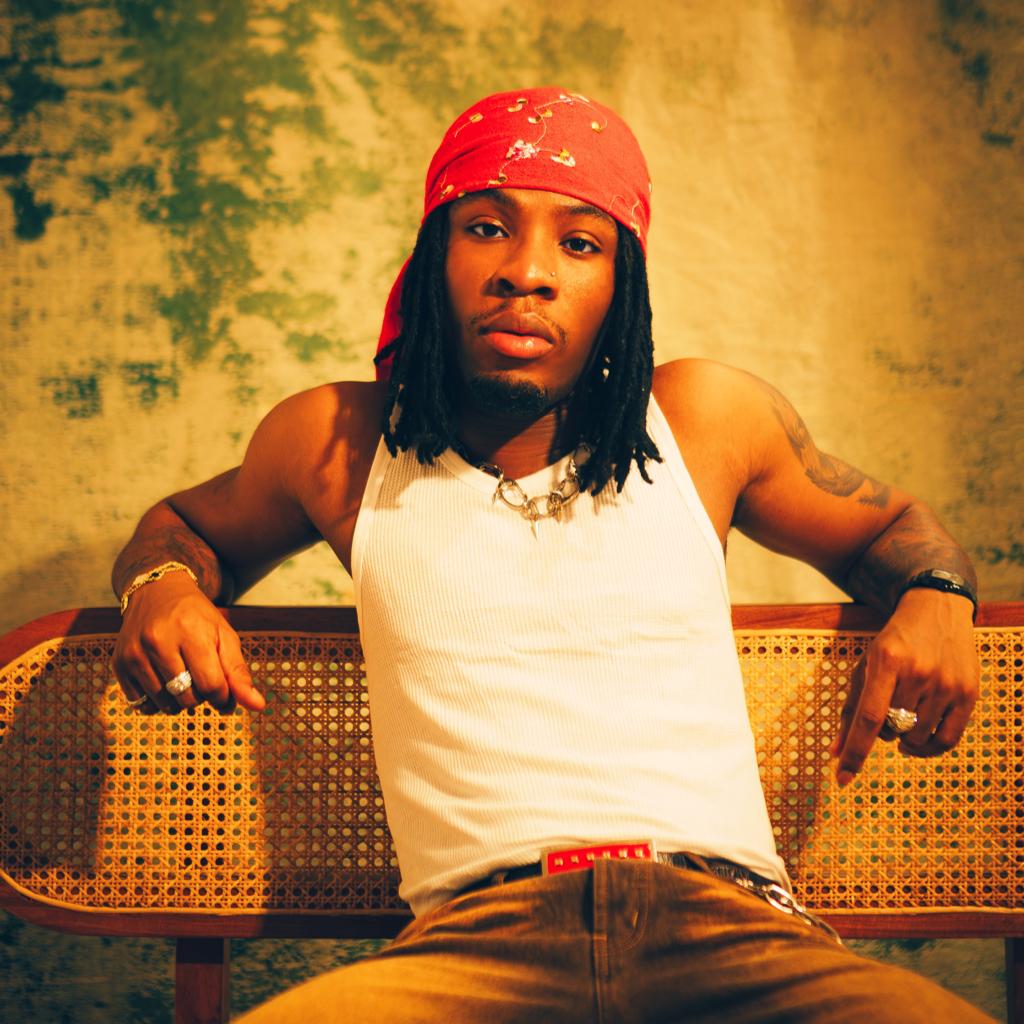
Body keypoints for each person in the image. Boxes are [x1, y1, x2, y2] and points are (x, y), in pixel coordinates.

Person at [111, 88, 989, 1022]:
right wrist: (161, 586)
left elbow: (892, 528)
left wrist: (938, 595)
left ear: (622, 287)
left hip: (732, 928)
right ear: (434, 255)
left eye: (579, 243)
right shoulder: (339, 443)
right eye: (487, 228)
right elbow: (184, 527)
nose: (526, 273)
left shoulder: (705, 421)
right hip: (471, 946)